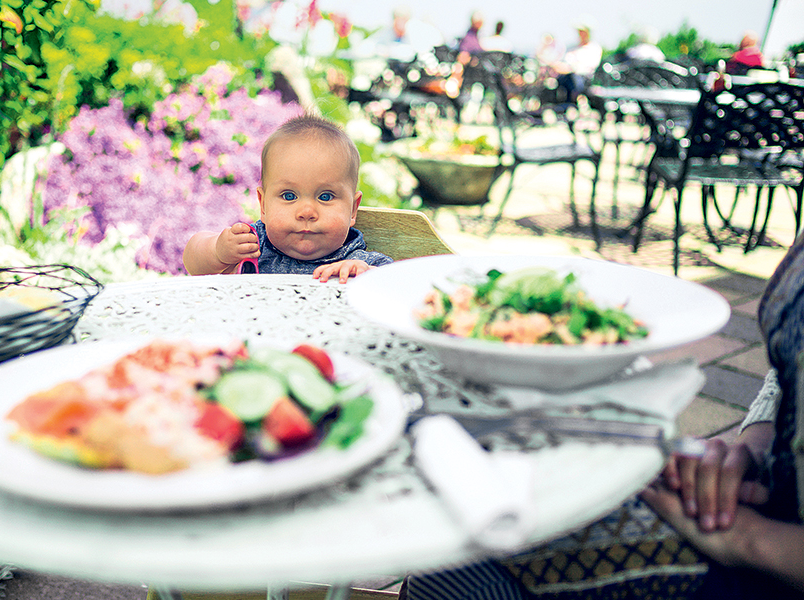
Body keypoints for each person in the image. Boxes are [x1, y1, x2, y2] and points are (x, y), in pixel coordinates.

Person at [400, 230, 804, 599]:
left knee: (467, 561)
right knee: (451, 558)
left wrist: (755, 539)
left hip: (768, 566)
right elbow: (784, 374)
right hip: (759, 497)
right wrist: (750, 451)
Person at [182, 115, 392, 283]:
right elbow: (193, 262)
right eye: (289, 196)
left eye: (325, 196)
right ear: (263, 205)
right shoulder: (255, 246)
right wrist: (218, 251)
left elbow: (403, 292)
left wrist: (369, 278)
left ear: (352, 210)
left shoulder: (363, 262)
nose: (307, 212)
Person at [551, 22, 603, 104]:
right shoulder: (571, 47)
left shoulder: (594, 48)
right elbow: (563, 62)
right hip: (565, 76)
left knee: (573, 79)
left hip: (583, 79)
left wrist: (570, 68)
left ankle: (574, 102)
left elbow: (590, 67)